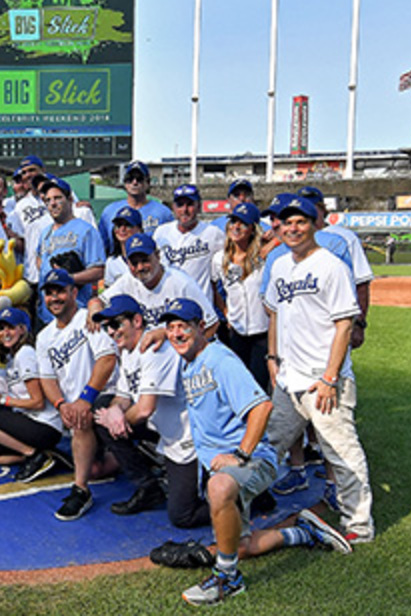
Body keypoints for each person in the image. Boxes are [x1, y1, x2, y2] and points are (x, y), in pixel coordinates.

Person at [158, 300, 350, 606]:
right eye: (170, 327)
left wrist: (241, 455)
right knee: (239, 546)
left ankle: (228, 579)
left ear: (201, 327)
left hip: (252, 460)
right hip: (225, 466)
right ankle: (303, 533)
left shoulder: (220, 360)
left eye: (183, 326)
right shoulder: (188, 361)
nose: (176, 333)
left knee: (219, 487)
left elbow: (262, 407)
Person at [263, 196, 375, 545]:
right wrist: (272, 358)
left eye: (300, 221)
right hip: (289, 378)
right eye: (285, 223)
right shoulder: (280, 264)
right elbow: (275, 314)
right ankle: (242, 502)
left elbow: (344, 325)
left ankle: (359, 523)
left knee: (341, 451)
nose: (292, 229)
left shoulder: (331, 265)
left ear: (315, 224)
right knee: (270, 444)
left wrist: (330, 377)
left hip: (324, 379)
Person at [91, 295, 208, 527]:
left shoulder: (154, 348)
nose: (111, 332)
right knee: (102, 411)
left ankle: (241, 497)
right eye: (107, 327)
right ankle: (148, 487)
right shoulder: (127, 352)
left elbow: (145, 409)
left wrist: (118, 420)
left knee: (182, 515)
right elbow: (123, 396)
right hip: (164, 429)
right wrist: (114, 411)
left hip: (189, 436)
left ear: (136, 321)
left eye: (115, 324)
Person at [35, 269, 117, 521]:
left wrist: (85, 399)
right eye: (49, 293)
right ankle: (129, 456)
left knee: (81, 420)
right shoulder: (44, 337)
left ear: (73, 292)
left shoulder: (88, 318)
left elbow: (107, 360)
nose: (54, 298)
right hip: (77, 406)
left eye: (59, 291)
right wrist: (61, 405)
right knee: (94, 468)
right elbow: (47, 379)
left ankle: (80, 490)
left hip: (108, 395)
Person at [0, 307, 62, 482]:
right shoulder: (13, 358)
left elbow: (38, 402)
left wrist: (2, 400)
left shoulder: (25, 353)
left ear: (23, 329)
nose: (5, 333)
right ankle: (39, 457)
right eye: (1, 328)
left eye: (11, 327)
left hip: (45, 425)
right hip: (30, 422)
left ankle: (34, 453)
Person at [88, 233, 217, 334]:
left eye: (145, 260)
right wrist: (94, 306)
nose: (140, 267)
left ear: (158, 256)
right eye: (134, 263)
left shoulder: (181, 282)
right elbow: (98, 300)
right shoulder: (128, 281)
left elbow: (212, 323)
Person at [300, 187, 373, 350]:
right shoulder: (291, 238)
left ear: (323, 210)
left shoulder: (345, 237)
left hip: (335, 323)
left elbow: (361, 283)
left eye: (314, 208)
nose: (308, 213)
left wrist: (360, 323)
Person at [211, 203, 271, 391]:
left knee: (259, 385)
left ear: (253, 229)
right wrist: (225, 311)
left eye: (243, 223)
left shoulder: (263, 257)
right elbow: (214, 287)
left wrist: (273, 242)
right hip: (236, 331)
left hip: (262, 331)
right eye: (233, 222)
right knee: (238, 385)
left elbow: (286, 236)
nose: (236, 227)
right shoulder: (220, 259)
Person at [34, 177, 105, 323]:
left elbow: (98, 270)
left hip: (75, 313)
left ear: (70, 199)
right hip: (46, 314)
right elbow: (39, 259)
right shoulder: (45, 232)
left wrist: (69, 278)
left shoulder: (85, 230)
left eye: (57, 198)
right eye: (48, 200)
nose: (52, 203)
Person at [153, 184, 226, 305]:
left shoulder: (213, 233)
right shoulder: (161, 233)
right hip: (170, 305)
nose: (184, 210)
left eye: (190, 204)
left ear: (199, 206)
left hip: (202, 307)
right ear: (173, 207)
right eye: (180, 205)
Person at [97, 160, 174, 253]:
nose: (134, 182)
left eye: (139, 178)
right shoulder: (109, 211)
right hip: (119, 264)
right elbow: (102, 247)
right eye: (130, 179)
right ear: (125, 183)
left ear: (148, 183)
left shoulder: (163, 213)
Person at [102, 206, 144, 290]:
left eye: (128, 225)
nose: (122, 229)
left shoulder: (147, 258)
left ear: (139, 230)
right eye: (118, 225)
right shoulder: (112, 262)